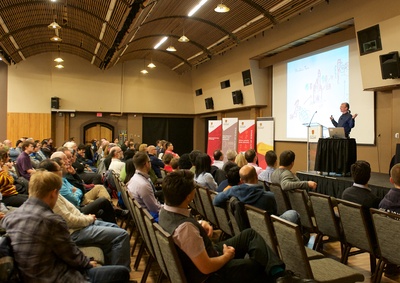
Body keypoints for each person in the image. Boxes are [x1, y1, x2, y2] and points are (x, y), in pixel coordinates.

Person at [159, 170, 306, 283]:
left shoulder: (165, 210)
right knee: (258, 265)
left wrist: (199, 223)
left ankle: (280, 275)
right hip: (209, 275)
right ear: (188, 196)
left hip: (205, 255)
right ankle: (279, 276)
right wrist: (226, 256)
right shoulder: (186, 229)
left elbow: (185, 233)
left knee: (249, 234)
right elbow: (207, 267)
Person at [2, 170, 130, 283]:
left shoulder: (11, 217)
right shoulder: (52, 221)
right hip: (59, 278)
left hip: (30, 276)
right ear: (53, 193)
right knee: (121, 272)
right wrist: (87, 263)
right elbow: (72, 255)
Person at [213, 165, 299, 223]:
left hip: (245, 227)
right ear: (256, 177)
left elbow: (216, 201)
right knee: (293, 213)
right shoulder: (269, 197)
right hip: (268, 230)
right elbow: (274, 214)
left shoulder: (233, 191)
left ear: (241, 180)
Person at [127, 151, 162, 221]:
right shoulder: (143, 185)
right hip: (149, 217)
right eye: (149, 161)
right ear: (146, 164)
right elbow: (155, 208)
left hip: (143, 215)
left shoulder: (133, 178)